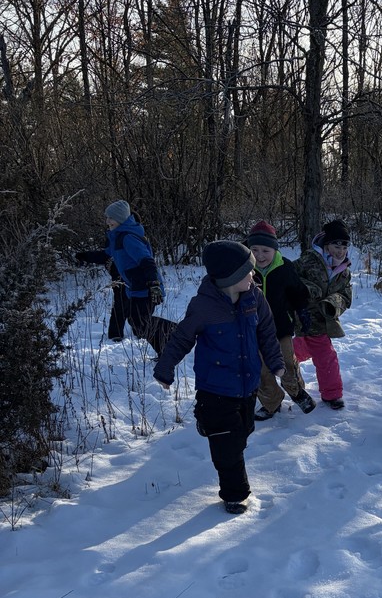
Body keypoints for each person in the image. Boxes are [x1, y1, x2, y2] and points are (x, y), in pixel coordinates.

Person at [154, 240, 285, 514]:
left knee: (242, 433)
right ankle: (235, 494)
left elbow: (267, 332)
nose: (253, 275)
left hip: (248, 386)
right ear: (231, 277)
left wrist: (275, 362)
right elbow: (181, 339)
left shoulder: (254, 298)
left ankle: (214, 428)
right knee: (228, 447)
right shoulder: (203, 307)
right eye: (248, 271)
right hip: (215, 389)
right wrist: (165, 369)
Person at [75, 200, 176, 354]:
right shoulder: (117, 237)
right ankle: (166, 349)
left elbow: (147, 261)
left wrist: (154, 284)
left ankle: (177, 332)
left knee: (140, 323)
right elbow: (106, 255)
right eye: (107, 217)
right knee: (139, 323)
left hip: (146, 287)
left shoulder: (128, 238)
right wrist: (84, 256)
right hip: (135, 288)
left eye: (111, 218)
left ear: (120, 219)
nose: (107, 221)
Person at [243, 220, 316, 420]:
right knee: (260, 370)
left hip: (281, 327)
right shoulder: (244, 270)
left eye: (265, 250)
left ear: (275, 250)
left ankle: (297, 391)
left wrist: (302, 311)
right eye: (254, 250)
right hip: (253, 330)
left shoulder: (285, 268)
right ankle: (271, 402)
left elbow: (298, 293)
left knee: (287, 364)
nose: (259, 256)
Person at [292, 219, 353, 410]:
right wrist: (308, 289)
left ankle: (332, 394)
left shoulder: (344, 271)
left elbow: (345, 295)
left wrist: (334, 303)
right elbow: (290, 278)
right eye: (336, 244)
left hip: (323, 322)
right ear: (326, 244)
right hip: (302, 317)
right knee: (321, 354)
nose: (340, 250)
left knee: (321, 354)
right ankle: (330, 393)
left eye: (344, 245)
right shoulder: (309, 260)